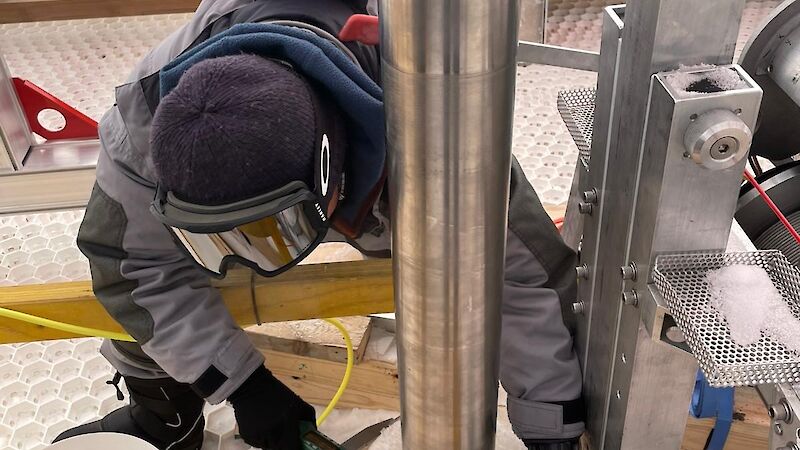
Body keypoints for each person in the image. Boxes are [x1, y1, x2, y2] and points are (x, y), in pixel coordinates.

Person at [53, 1, 584, 449]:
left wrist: (550, 419)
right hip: (297, 184)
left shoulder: (435, 122)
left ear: (332, 170)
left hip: (382, 163)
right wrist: (243, 385)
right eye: (218, 240)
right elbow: (134, 269)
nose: (246, 263)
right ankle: (164, 413)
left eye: (270, 235)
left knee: (481, 265)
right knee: (137, 289)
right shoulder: (143, 128)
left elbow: (518, 273)